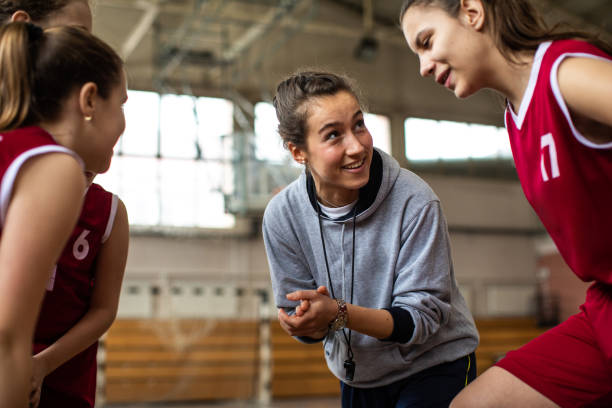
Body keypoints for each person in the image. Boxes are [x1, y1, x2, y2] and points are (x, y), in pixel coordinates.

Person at [399, 1, 612, 407]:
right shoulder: (517, 119)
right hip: (604, 305)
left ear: (472, 12)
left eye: (427, 42)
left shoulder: (565, 74)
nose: (423, 66)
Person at [262, 71, 479, 408]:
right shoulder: (282, 216)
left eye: (359, 125)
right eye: (334, 135)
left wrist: (338, 314)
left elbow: (420, 319)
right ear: (298, 152)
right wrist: (306, 322)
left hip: (435, 365)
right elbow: (306, 322)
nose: (357, 146)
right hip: (359, 376)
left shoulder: (415, 200)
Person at [1, 3, 129, 408]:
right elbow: (6, 334)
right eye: (122, 104)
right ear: (89, 100)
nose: (124, 124)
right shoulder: (53, 167)